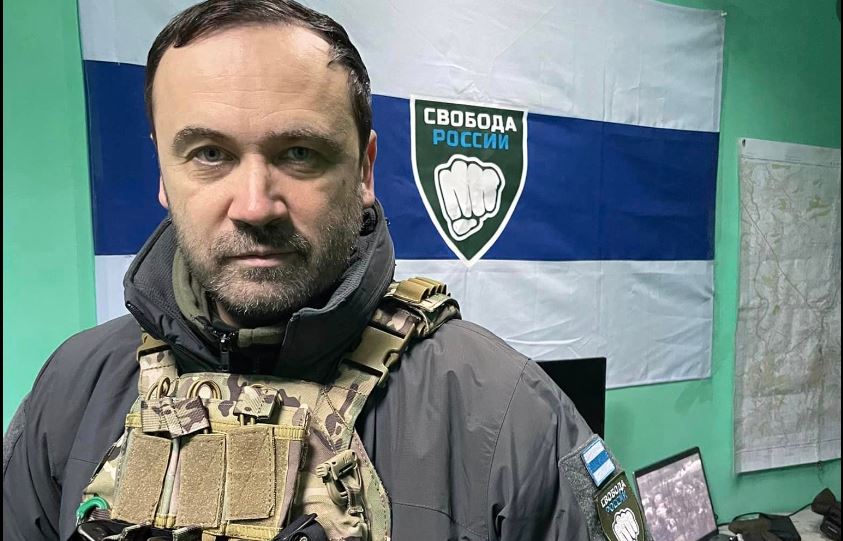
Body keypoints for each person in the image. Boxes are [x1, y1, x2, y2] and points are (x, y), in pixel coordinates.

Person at [3, 1, 637, 540]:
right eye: (210, 153)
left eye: (299, 153)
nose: (255, 205)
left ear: (364, 169)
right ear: (164, 174)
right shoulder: (73, 390)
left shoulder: (507, 417)